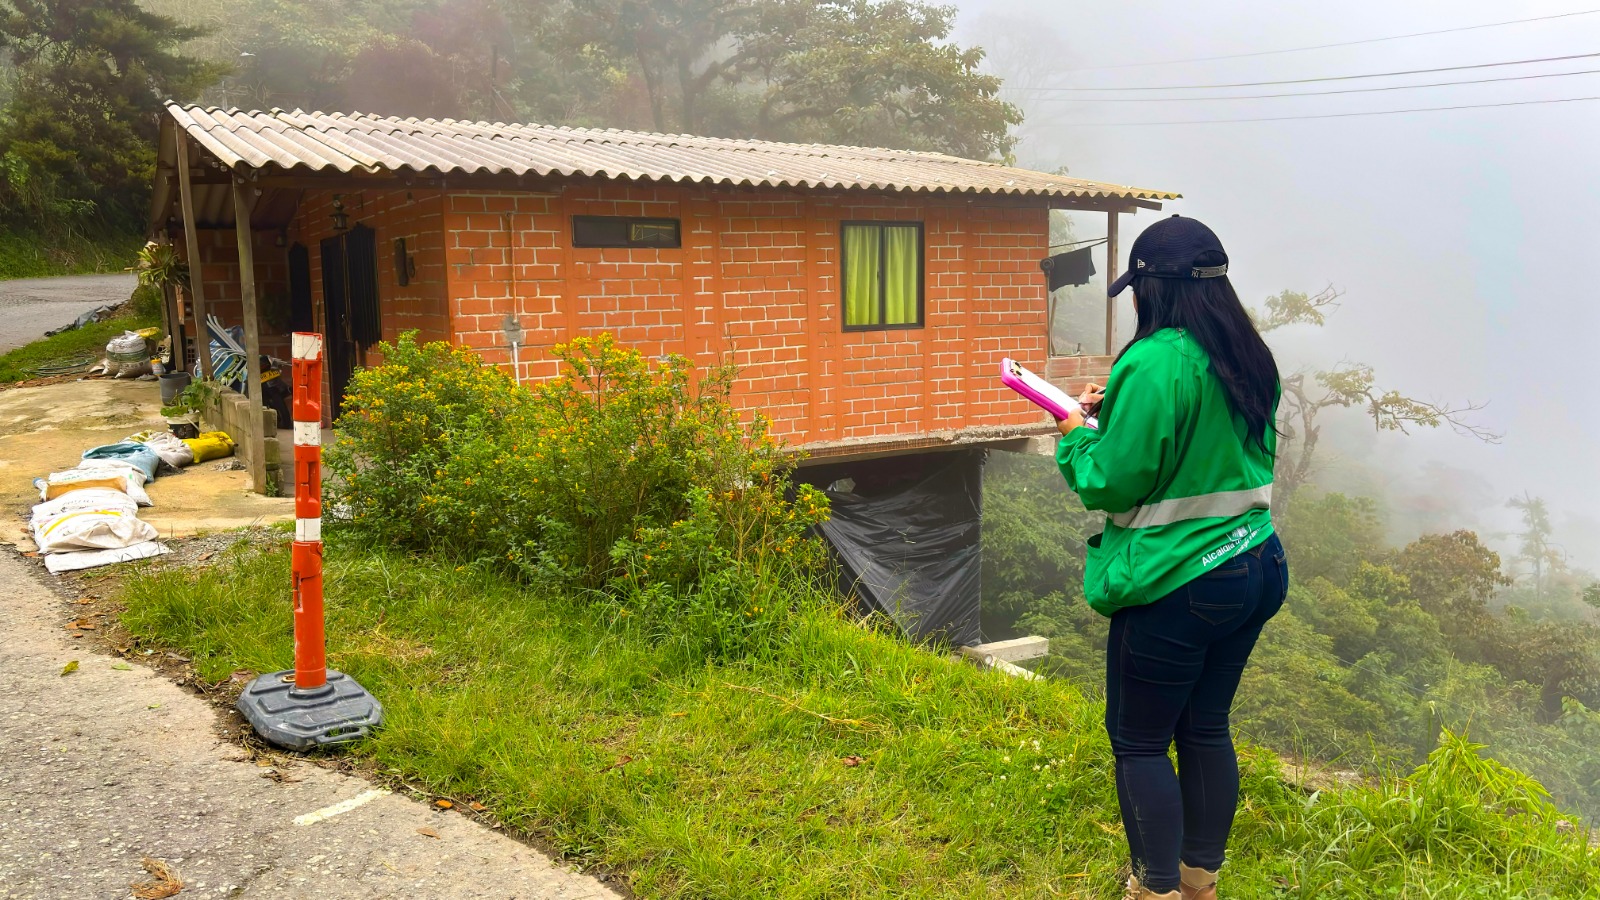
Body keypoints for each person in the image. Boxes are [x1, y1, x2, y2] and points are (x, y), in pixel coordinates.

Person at [1054, 215, 1288, 900]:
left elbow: (1112, 480)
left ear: (1155, 287)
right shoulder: (1247, 352)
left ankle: (1152, 890)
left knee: (1140, 741)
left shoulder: (1155, 360)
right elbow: (1193, 449)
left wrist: (1075, 430)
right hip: (1254, 563)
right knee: (1206, 726)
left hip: (1178, 581)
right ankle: (1197, 881)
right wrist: (1111, 415)